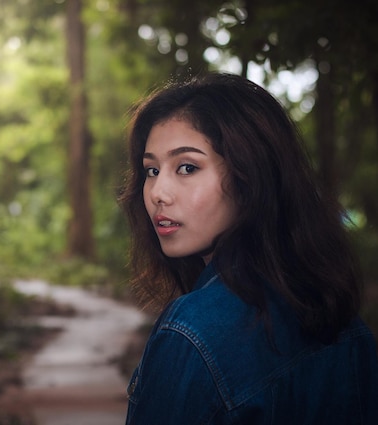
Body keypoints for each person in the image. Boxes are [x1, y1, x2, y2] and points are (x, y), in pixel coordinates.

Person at [119, 72, 378, 424]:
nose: (157, 193)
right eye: (151, 170)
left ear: (250, 175)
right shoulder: (343, 319)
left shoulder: (191, 333)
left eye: (187, 167)